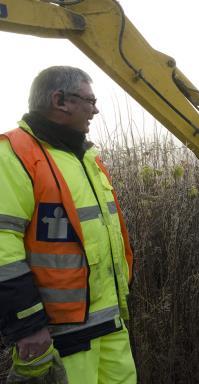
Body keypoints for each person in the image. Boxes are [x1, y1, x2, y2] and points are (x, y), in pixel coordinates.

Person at [0, 66, 136, 383]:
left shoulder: (87, 157)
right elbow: (3, 247)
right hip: (57, 334)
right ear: (60, 100)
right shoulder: (14, 154)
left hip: (110, 323)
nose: (96, 108)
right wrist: (28, 324)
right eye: (90, 100)